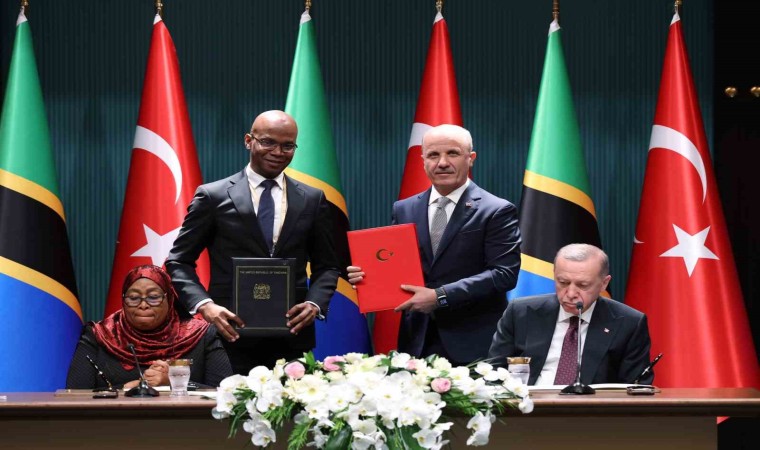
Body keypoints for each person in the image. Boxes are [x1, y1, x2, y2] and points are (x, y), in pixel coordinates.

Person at [166, 110, 339, 374]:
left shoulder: (313, 199)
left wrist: (314, 304)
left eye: (287, 146)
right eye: (268, 142)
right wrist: (205, 306)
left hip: (292, 336)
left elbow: (327, 265)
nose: (278, 152)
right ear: (249, 141)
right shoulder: (213, 196)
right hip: (229, 335)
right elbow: (178, 261)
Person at [349, 124, 521, 366]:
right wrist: (368, 276)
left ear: (471, 158)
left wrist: (440, 296)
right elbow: (399, 267)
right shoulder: (404, 208)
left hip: (474, 342)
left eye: (452, 153)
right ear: (423, 161)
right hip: (417, 342)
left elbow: (504, 274)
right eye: (433, 155)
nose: (442, 163)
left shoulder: (496, 210)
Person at [487, 243, 654, 385]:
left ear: (604, 283)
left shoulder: (628, 323)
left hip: (594, 410)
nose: (571, 293)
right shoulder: (521, 312)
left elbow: (636, 387)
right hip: (529, 407)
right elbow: (493, 373)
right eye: (563, 282)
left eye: (583, 285)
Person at [66, 265, 232, 390]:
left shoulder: (201, 335)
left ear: (170, 299)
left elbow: (225, 393)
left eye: (153, 297)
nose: (143, 305)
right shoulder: (99, 335)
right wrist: (129, 389)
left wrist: (174, 383)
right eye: (133, 298)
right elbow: (75, 393)